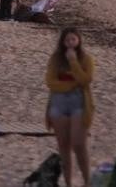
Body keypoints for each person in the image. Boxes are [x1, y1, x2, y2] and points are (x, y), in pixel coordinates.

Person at [44, 27, 94, 187]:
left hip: (79, 103)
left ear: (78, 40)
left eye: (73, 39)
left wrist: (73, 62)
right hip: (58, 103)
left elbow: (86, 79)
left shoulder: (85, 59)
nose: (70, 42)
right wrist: (72, 84)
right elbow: (51, 82)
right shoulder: (56, 58)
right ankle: (68, 183)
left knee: (79, 144)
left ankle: (87, 181)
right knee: (64, 146)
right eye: (67, 40)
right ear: (62, 42)